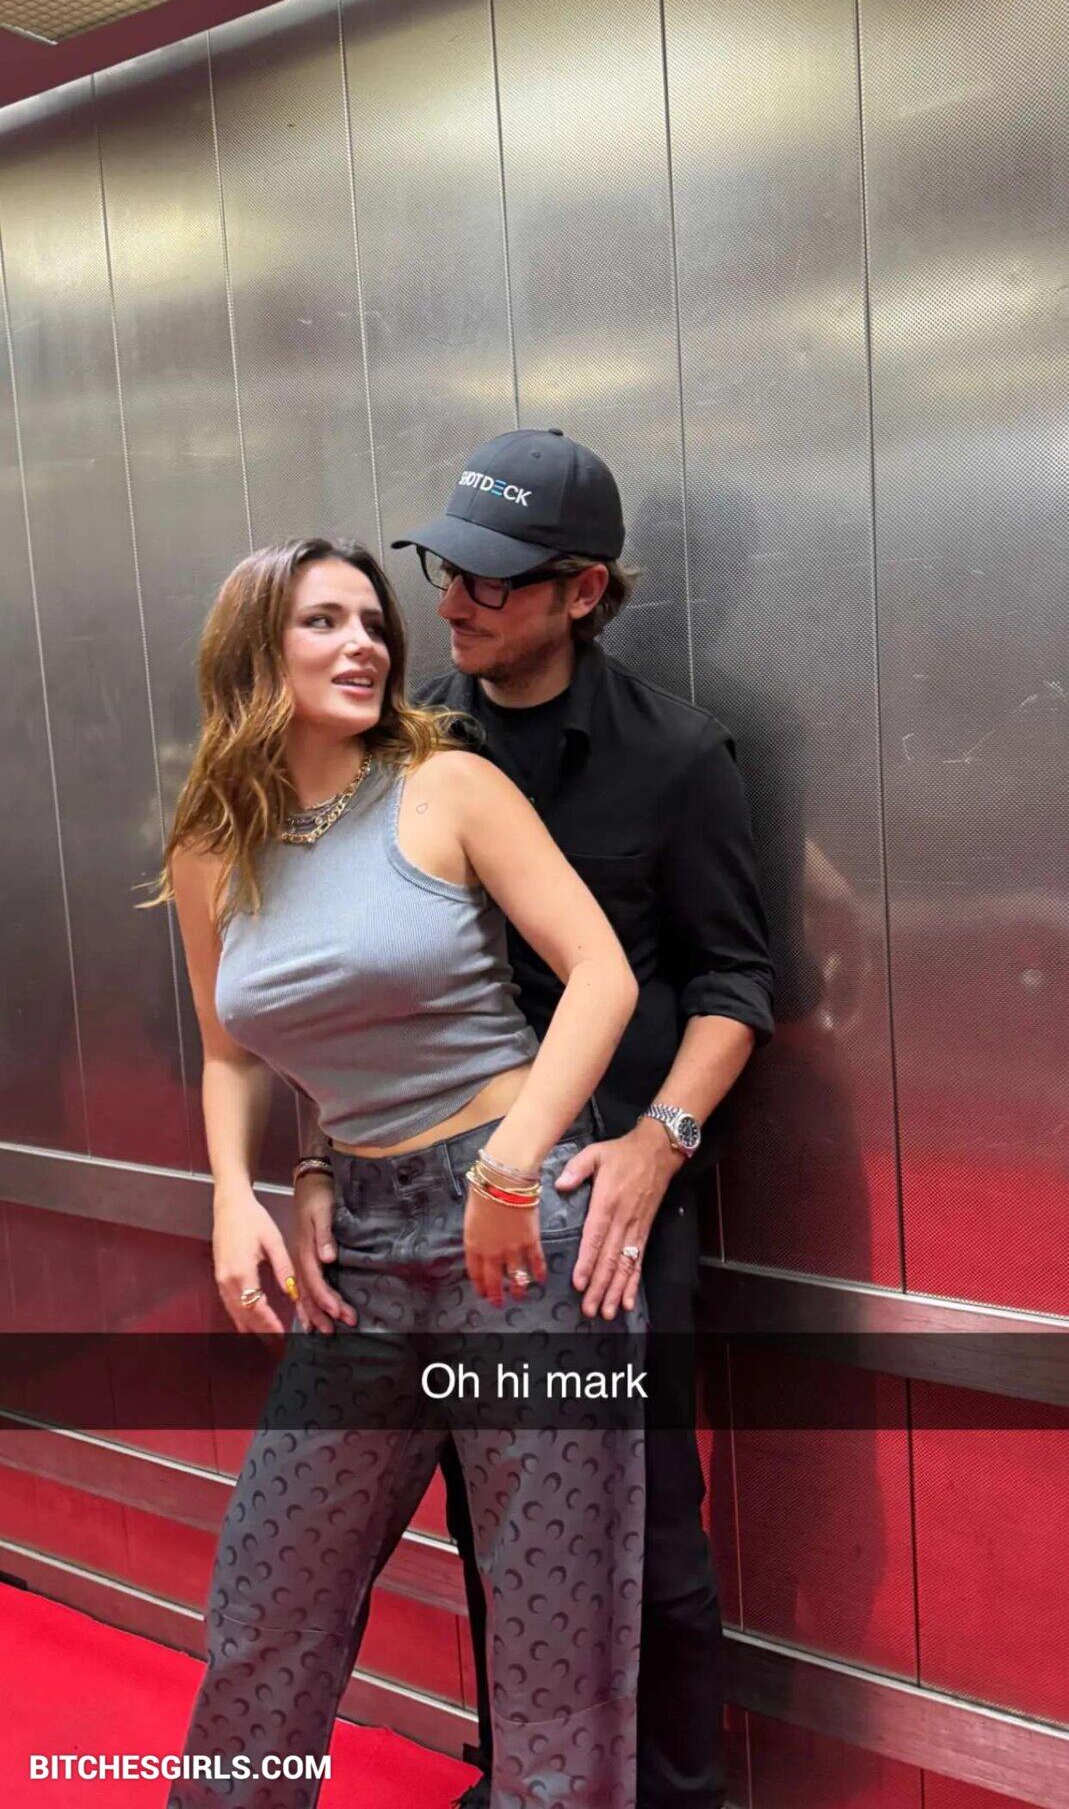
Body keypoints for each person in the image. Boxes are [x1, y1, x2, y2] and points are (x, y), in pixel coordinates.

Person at [294, 433, 775, 1809]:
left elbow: (735, 983)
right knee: (503, 1530)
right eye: (446, 569)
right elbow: (352, 990)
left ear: (583, 592)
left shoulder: (676, 756)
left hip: (608, 1204)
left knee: (650, 1538)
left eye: (494, 581)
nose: (452, 602)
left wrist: (657, 1144)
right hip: (443, 1209)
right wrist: (318, 1161)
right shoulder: (400, 752)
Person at [147, 535, 646, 1808]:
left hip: (518, 1231)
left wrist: (513, 1170)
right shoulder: (211, 847)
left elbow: (601, 976)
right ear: (254, 650)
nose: (364, 642)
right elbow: (228, 1050)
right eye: (323, 621)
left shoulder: (446, 787)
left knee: (552, 1638)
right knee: (268, 1603)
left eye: (373, 621)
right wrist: (236, 1192)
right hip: (358, 1247)